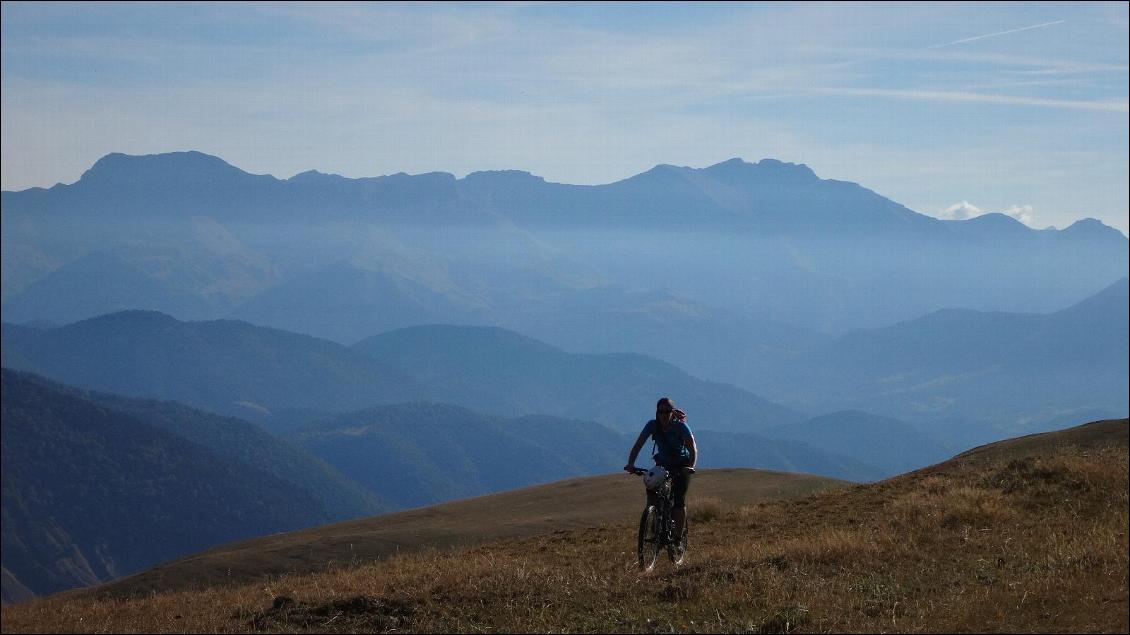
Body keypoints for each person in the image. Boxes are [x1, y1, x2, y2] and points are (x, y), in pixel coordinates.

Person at [624, 396, 697, 540]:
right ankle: (653, 523)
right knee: (653, 492)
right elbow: (638, 445)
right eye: (660, 412)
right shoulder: (652, 425)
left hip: (682, 464)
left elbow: (692, 448)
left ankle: (677, 537)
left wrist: (690, 466)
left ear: (672, 412)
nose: (663, 415)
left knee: (678, 499)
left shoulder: (681, 426)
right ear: (656, 412)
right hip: (663, 463)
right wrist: (631, 463)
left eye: (667, 411)